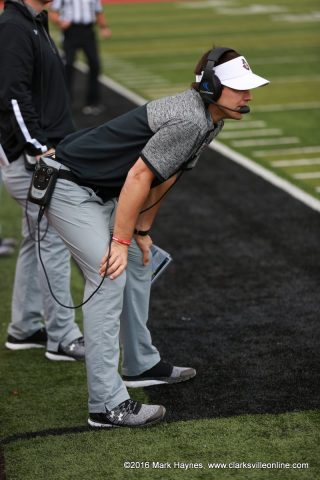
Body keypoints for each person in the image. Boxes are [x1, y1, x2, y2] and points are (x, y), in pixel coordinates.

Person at [37, 47, 269, 427]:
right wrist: (120, 241)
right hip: (68, 186)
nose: (248, 96)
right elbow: (139, 177)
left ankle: (140, 363)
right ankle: (105, 405)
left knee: (141, 264)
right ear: (210, 88)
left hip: (98, 189)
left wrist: (141, 231)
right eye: (239, 88)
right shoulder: (191, 120)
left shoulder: (211, 120)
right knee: (109, 274)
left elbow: (166, 176)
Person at [0, 0, 85, 361]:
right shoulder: (15, 27)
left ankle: (24, 327)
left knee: (37, 237)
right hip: (31, 158)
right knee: (51, 238)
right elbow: (11, 95)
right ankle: (62, 336)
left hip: (38, 153)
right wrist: (40, 148)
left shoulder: (34, 21)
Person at [50, 0, 111, 115]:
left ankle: (93, 102)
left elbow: (98, 11)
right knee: (67, 66)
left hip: (88, 31)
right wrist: (60, 21)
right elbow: (53, 12)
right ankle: (66, 103)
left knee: (95, 65)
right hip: (70, 31)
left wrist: (103, 27)